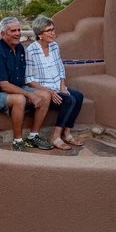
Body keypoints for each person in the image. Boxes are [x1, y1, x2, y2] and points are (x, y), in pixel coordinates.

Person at [0, 16, 53, 151]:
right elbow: (4, 85)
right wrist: (30, 95)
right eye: (13, 31)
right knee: (20, 99)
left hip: (18, 87)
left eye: (19, 30)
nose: (17, 34)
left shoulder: (19, 48)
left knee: (45, 95)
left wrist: (38, 90)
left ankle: (33, 136)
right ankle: (17, 141)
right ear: (3, 34)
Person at [24, 15, 85, 150]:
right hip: (44, 90)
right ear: (40, 34)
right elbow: (28, 79)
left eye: (53, 29)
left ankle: (67, 134)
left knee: (79, 96)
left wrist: (62, 85)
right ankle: (56, 137)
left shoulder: (54, 46)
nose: (53, 33)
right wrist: (49, 91)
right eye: (49, 30)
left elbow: (60, 67)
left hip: (57, 87)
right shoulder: (31, 51)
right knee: (69, 100)